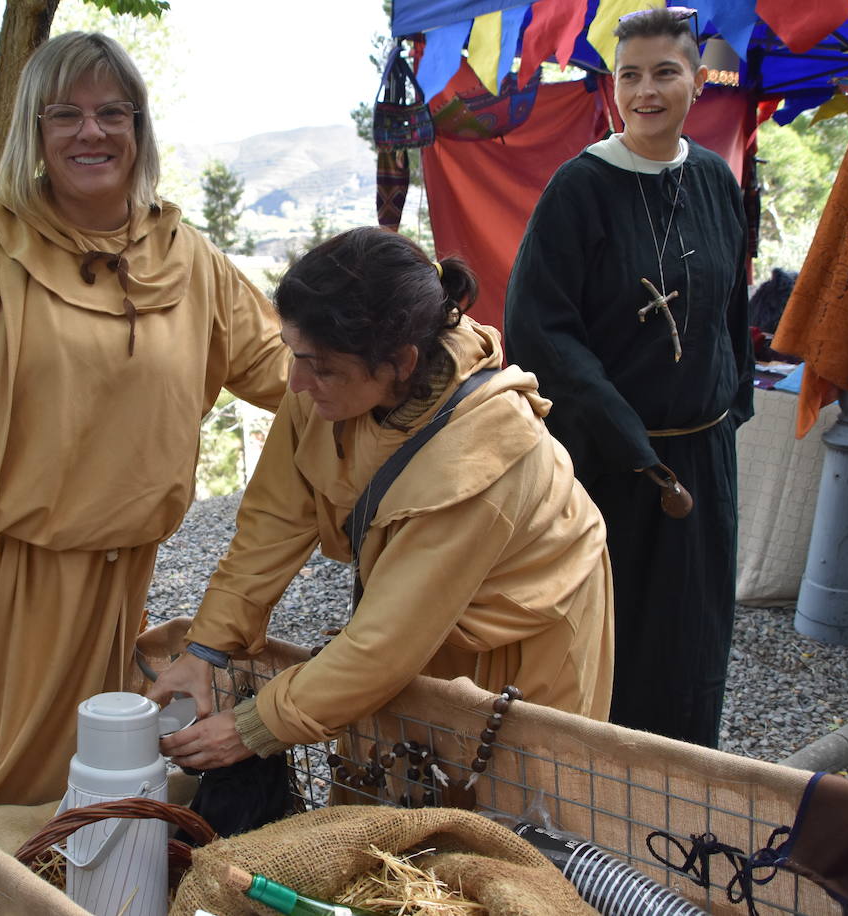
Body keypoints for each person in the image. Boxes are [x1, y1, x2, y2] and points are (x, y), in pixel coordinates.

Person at [0, 32, 290, 820]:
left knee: (93, 774)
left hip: (120, 569)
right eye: (64, 114)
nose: (89, 133)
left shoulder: (187, 256)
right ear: (34, 131)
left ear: (139, 129)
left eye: (111, 113)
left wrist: (412, 366)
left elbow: (287, 372)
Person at [147, 227, 614, 773]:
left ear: (402, 362)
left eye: (318, 367)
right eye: (292, 354)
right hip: (405, 619)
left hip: (523, 632)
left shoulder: (481, 460)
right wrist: (205, 648)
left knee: (509, 810)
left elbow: (383, 647)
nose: (294, 382)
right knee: (391, 781)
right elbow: (271, 526)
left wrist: (256, 726)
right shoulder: (325, 383)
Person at [503, 8, 753, 748]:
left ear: (696, 83)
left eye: (665, 73)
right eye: (631, 75)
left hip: (702, 462)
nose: (646, 91)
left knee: (695, 636)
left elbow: (729, 308)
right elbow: (541, 327)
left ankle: (688, 776)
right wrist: (626, 437)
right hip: (611, 464)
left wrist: (729, 405)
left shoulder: (713, 178)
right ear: (614, 87)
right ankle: (603, 797)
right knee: (616, 636)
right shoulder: (579, 189)